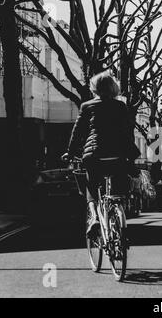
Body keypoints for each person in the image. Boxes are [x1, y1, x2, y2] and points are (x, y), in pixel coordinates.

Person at [62, 71, 139, 236]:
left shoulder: (87, 106)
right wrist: (130, 153)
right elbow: (127, 131)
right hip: (116, 154)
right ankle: (118, 211)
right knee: (119, 184)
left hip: (94, 155)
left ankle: (95, 217)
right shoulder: (120, 106)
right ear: (113, 88)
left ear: (94, 88)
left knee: (91, 185)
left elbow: (78, 132)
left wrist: (70, 152)